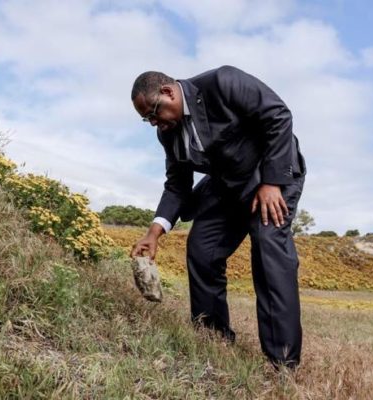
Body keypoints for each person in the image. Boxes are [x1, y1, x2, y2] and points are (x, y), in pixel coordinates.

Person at [130, 65, 306, 368]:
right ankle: (213, 338)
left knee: (268, 251)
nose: (155, 124)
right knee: (202, 249)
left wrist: (272, 182)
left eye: (154, 113)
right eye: (148, 120)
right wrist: (154, 232)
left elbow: (278, 116)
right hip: (227, 187)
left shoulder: (223, 83)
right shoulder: (168, 135)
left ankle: (282, 362)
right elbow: (177, 185)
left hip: (271, 175)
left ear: (169, 92)